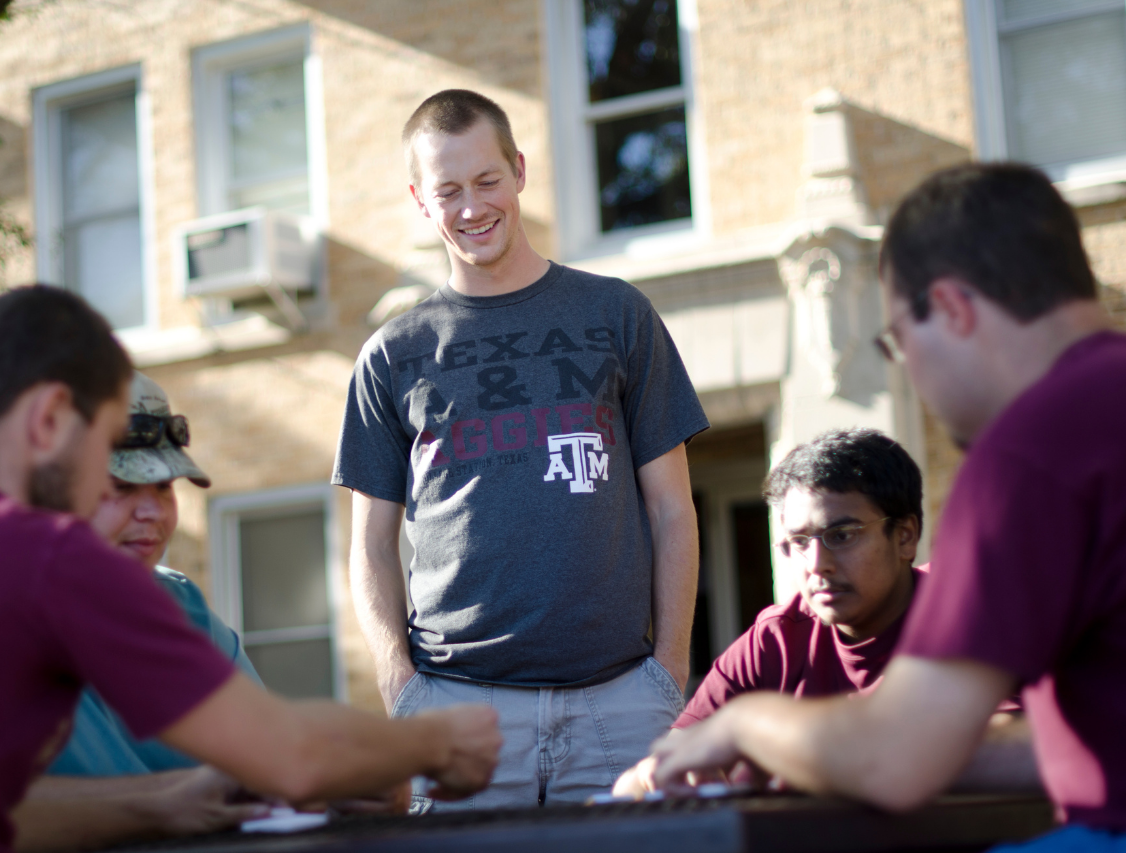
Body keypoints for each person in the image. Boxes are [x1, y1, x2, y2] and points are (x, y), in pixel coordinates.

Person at [0, 285, 501, 853]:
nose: (123, 505)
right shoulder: (44, 552)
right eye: (105, 452)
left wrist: (172, 799)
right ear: (48, 419)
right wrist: (439, 740)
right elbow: (292, 755)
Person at [648, 163, 1120, 847]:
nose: (913, 373)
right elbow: (1064, 744)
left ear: (953, 308)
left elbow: (896, 759)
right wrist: (811, 758)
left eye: (898, 340)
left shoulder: (1033, 447)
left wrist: (744, 726)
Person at [332, 89, 708, 811]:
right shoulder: (392, 354)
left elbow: (671, 508)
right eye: (448, 190)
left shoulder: (618, 315)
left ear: (520, 172)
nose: (471, 207)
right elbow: (371, 546)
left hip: (620, 705)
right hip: (455, 709)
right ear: (420, 201)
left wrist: (669, 670)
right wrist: (398, 682)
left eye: (486, 180)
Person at [12, 372, 273, 851]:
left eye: (164, 487)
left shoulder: (180, 608)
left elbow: (269, 754)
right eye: (120, 486)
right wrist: (167, 803)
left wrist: (350, 780)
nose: (153, 513)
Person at [614, 428, 926, 797]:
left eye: (841, 536)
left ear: (905, 535)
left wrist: (758, 731)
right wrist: (662, 775)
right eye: (798, 542)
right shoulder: (776, 640)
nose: (816, 564)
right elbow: (636, 783)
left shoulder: (965, 610)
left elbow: (995, 745)